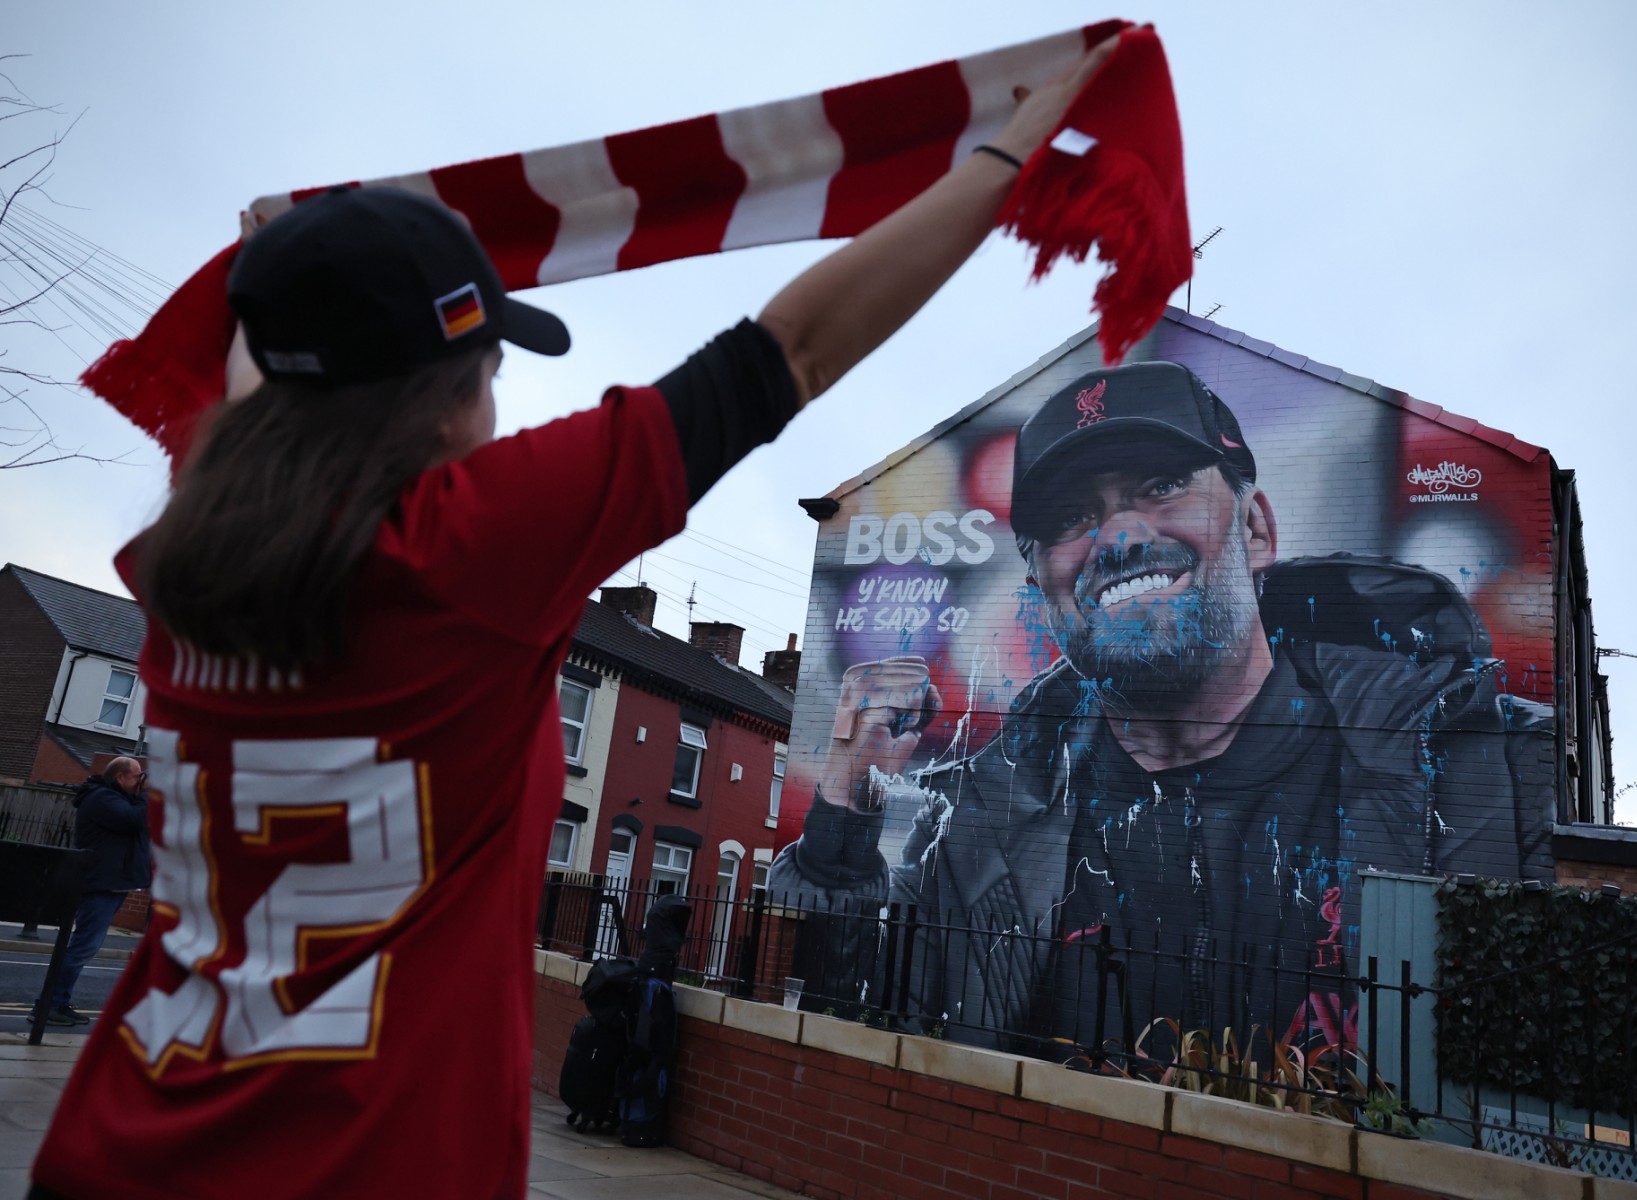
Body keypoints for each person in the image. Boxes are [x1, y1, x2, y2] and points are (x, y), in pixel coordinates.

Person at [26, 36, 1120, 1200]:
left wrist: (289, 278)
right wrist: (1010, 151)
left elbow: (278, 406)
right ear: (437, 402)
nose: (499, 403)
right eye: (488, 368)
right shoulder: (465, 551)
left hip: (120, 1140)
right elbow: (788, 349)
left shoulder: (187, 564)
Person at [769, 360, 1554, 1059]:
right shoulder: (983, 824)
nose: (1117, 536)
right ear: (1042, 591)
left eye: (1162, 485)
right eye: (1073, 520)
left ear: (1255, 530)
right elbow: (859, 1026)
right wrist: (850, 807)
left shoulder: (1475, 764)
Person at [28, 756, 151, 1027]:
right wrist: (149, 794)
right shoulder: (101, 799)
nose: (140, 782)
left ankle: (58, 1001)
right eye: (137, 777)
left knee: (84, 947)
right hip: (100, 885)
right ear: (120, 778)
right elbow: (137, 819)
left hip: (113, 883)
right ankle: (47, 1005)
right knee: (83, 947)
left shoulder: (119, 799)